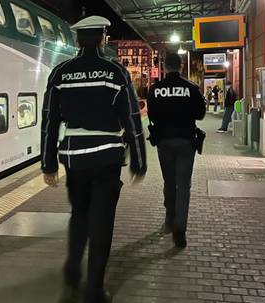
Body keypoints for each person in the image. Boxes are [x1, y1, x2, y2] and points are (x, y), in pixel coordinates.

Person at [40, 15, 147, 303]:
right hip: (107, 158)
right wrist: (139, 161)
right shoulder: (115, 72)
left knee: (79, 214)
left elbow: (49, 121)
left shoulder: (60, 73)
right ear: (103, 39)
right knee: (102, 222)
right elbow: (132, 120)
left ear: (77, 40)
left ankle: (72, 271)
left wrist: (48, 164)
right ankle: (95, 288)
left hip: (74, 157)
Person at [147, 53, 206, 248]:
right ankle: (180, 228)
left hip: (164, 142)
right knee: (184, 185)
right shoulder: (191, 88)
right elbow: (200, 114)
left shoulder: (155, 90)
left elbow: (152, 115)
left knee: (169, 182)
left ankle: (169, 219)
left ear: (164, 66)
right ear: (181, 66)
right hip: (186, 142)